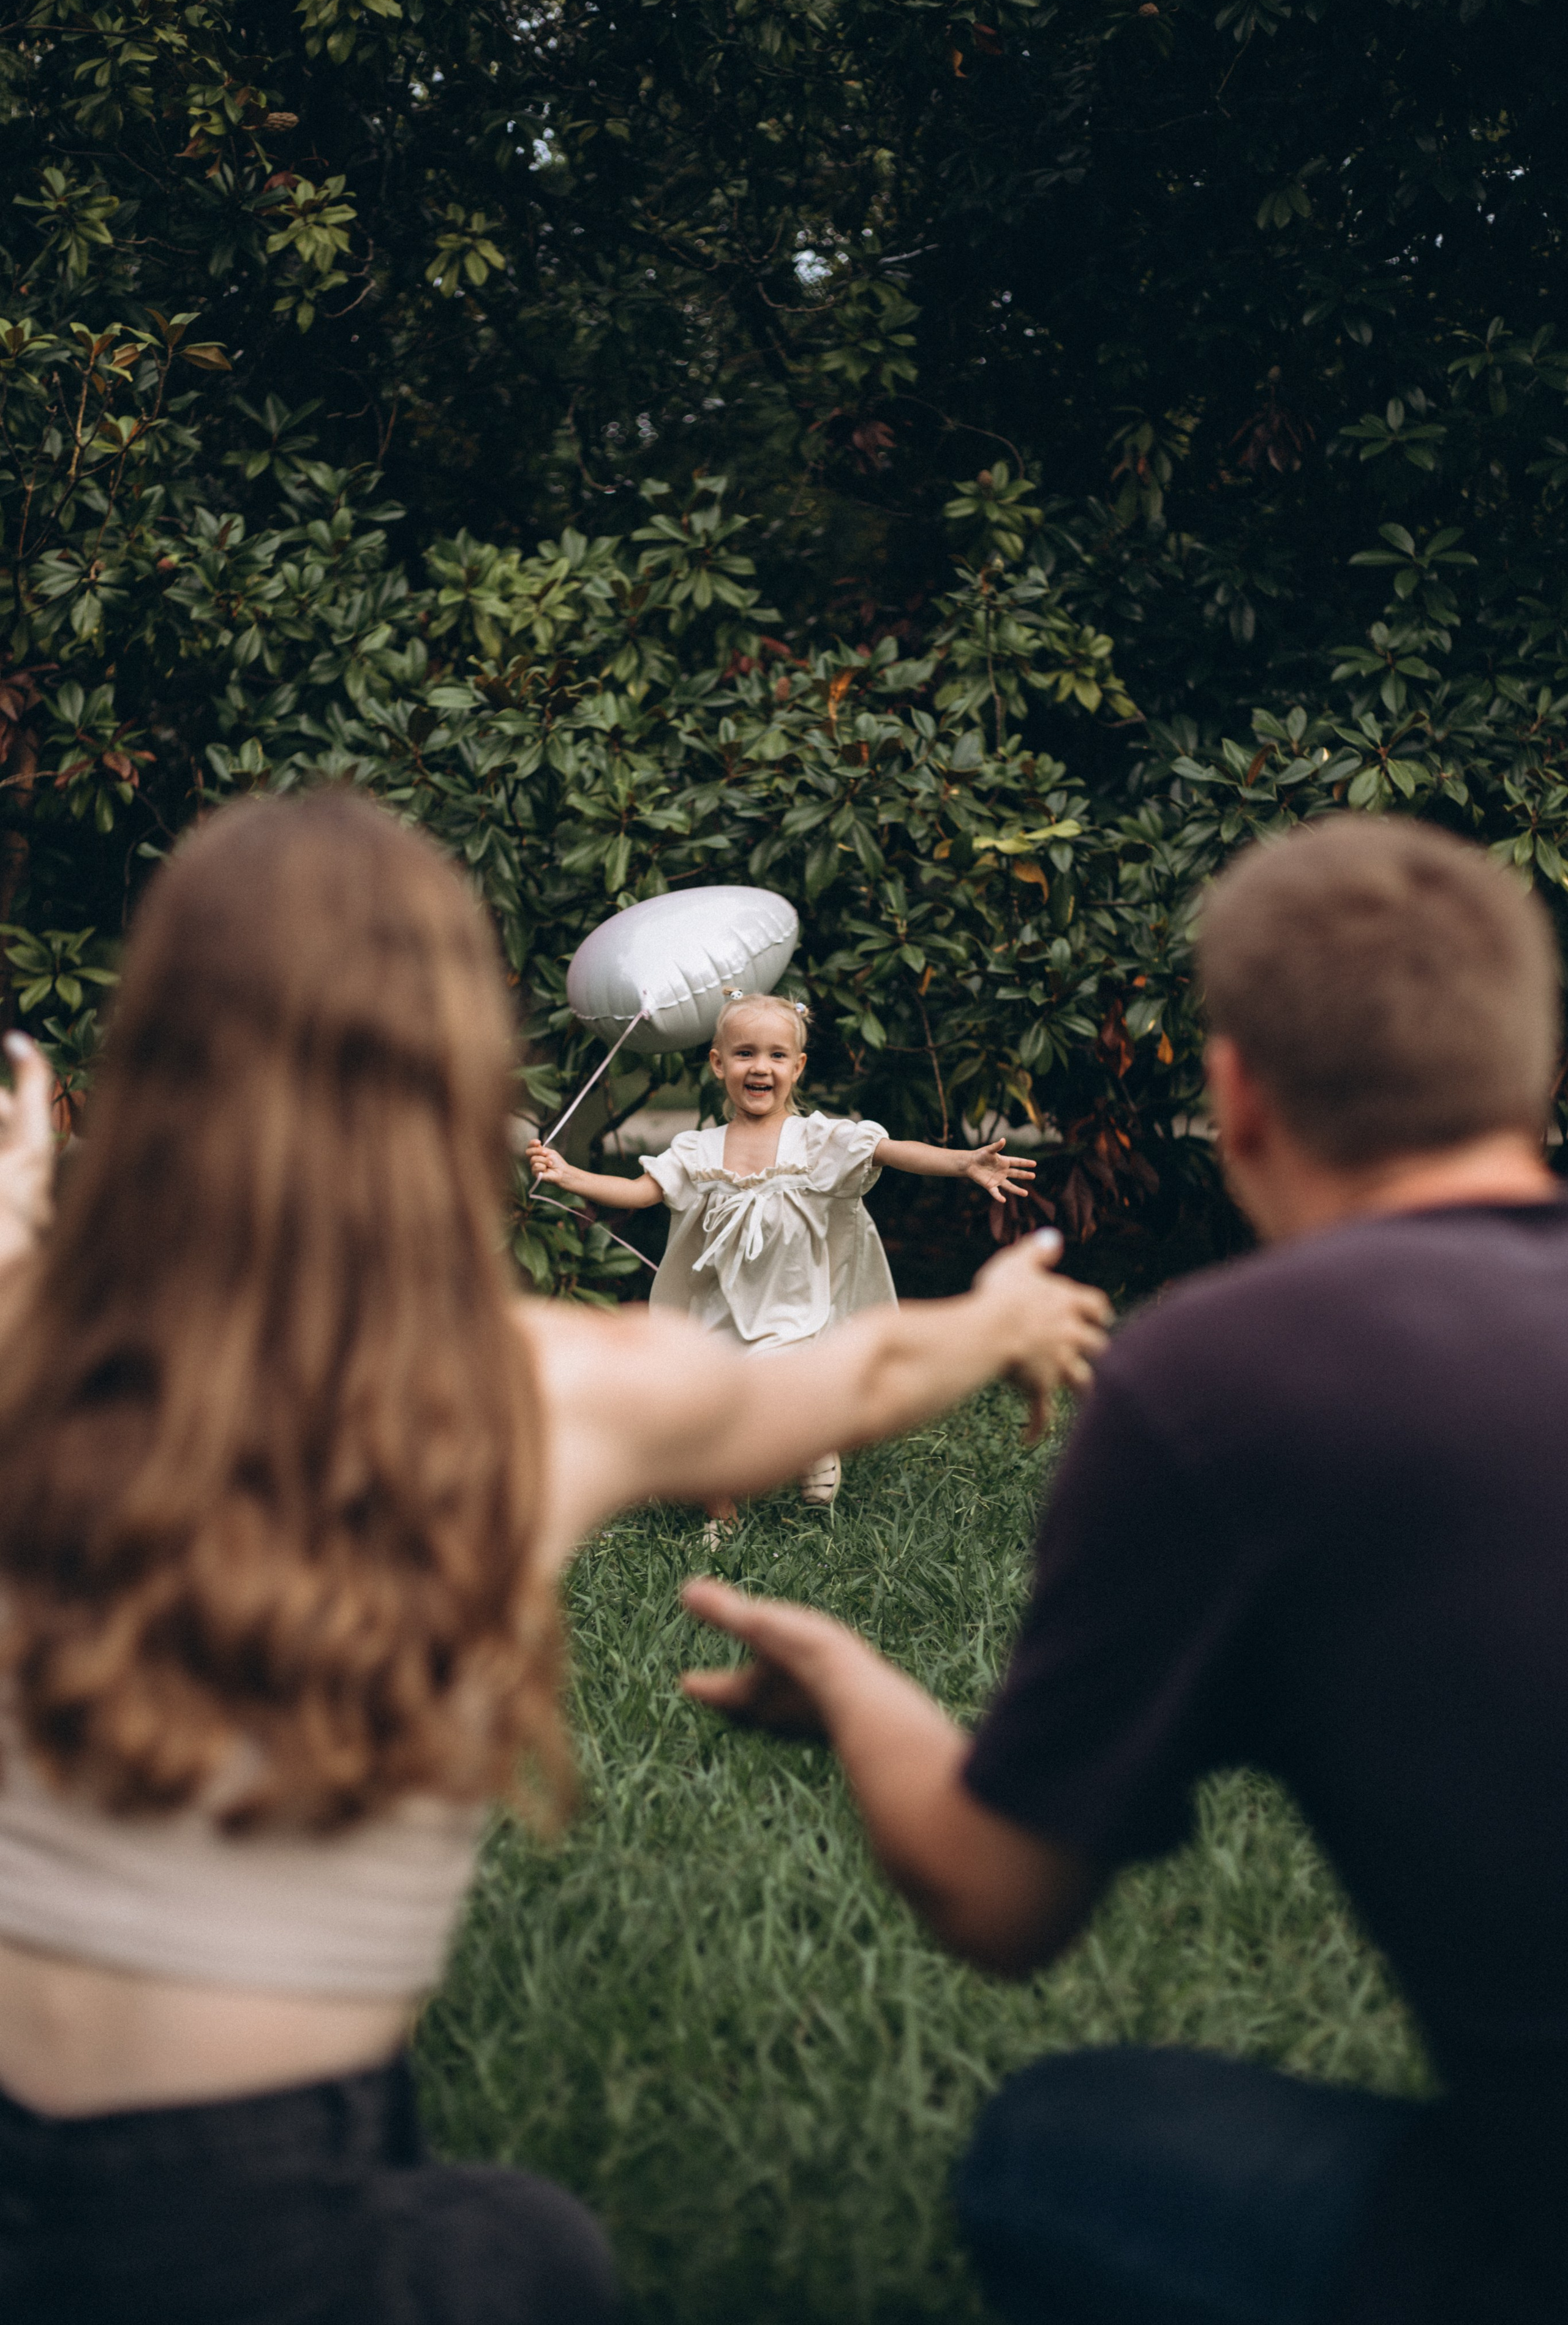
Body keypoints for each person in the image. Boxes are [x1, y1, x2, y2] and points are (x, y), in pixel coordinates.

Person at [0, 792, 1112, 2325]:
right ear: (450, 1071)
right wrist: (996, 1321)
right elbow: (835, 1385)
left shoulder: (27, 1345)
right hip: (244, 2210)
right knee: (532, 2247)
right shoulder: (523, 1387)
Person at [681, 813, 1568, 2325]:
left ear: (1233, 1097)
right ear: (1534, 1079)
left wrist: (845, 1675)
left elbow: (998, 1896)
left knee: (1056, 2141)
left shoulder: (1222, 1375)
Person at [527, 990, 1035, 1522]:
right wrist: (571, 1176)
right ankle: (721, 1519)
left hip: (793, 1306)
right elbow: (641, 1191)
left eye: (776, 1055)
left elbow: (887, 1151)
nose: (760, 1067)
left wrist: (962, 1163)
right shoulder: (700, 1149)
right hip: (720, 1307)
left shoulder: (816, 1140)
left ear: (798, 1067)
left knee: (778, 1388)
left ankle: (811, 1441)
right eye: (745, 1053)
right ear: (718, 1064)